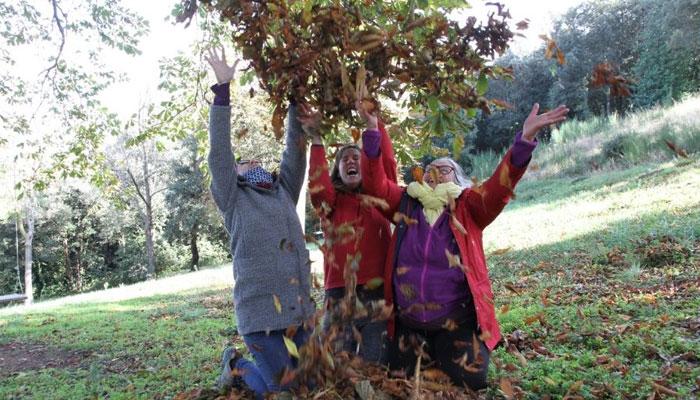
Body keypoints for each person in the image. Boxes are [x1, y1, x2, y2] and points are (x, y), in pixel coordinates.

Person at [360, 103, 569, 389]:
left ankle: (444, 351)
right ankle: (427, 352)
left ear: (457, 178)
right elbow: (375, 186)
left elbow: (499, 187)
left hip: (455, 321)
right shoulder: (406, 201)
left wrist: (524, 140)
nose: (434, 174)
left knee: (472, 378)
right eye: (429, 170)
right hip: (409, 324)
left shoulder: (470, 206)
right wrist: (372, 131)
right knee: (400, 379)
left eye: (444, 170)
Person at [205, 48, 320, 398]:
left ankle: (249, 369)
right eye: (243, 163)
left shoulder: (284, 189)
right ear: (235, 174)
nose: (250, 162)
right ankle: (236, 367)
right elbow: (220, 154)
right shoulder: (233, 198)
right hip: (260, 318)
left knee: (313, 386)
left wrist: (294, 99)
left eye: (255, 159)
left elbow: (294, 152)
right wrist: (222, 92)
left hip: (299, 314)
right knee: (281, 392)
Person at [307, 99, 397, 363]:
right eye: (344, 159)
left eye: (356, 157)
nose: (350, 161)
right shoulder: (331, 204)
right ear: (338, 171)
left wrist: (375, 124)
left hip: (376, 292)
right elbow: (319, 185)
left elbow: (386, 163)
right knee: (336, 364)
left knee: (374, 362)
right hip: (339, 294)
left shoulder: (380, 197)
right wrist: (316, 140)